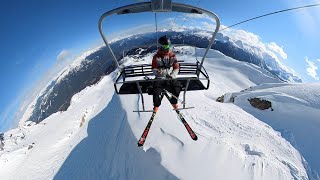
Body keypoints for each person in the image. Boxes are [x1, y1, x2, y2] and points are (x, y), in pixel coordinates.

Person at [151, 36, 181, 112]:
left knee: (177, 87)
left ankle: (174, 102)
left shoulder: (172, 56)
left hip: (170, 77)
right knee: (156, 91)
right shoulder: (156, 57)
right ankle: (156, 105)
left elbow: (176, 67)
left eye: (168, 46)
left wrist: (172, 75)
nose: (167, 48)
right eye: (165, 46)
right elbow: (153, 68)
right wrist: (157, 71)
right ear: (161, 46)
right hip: (160, 77)